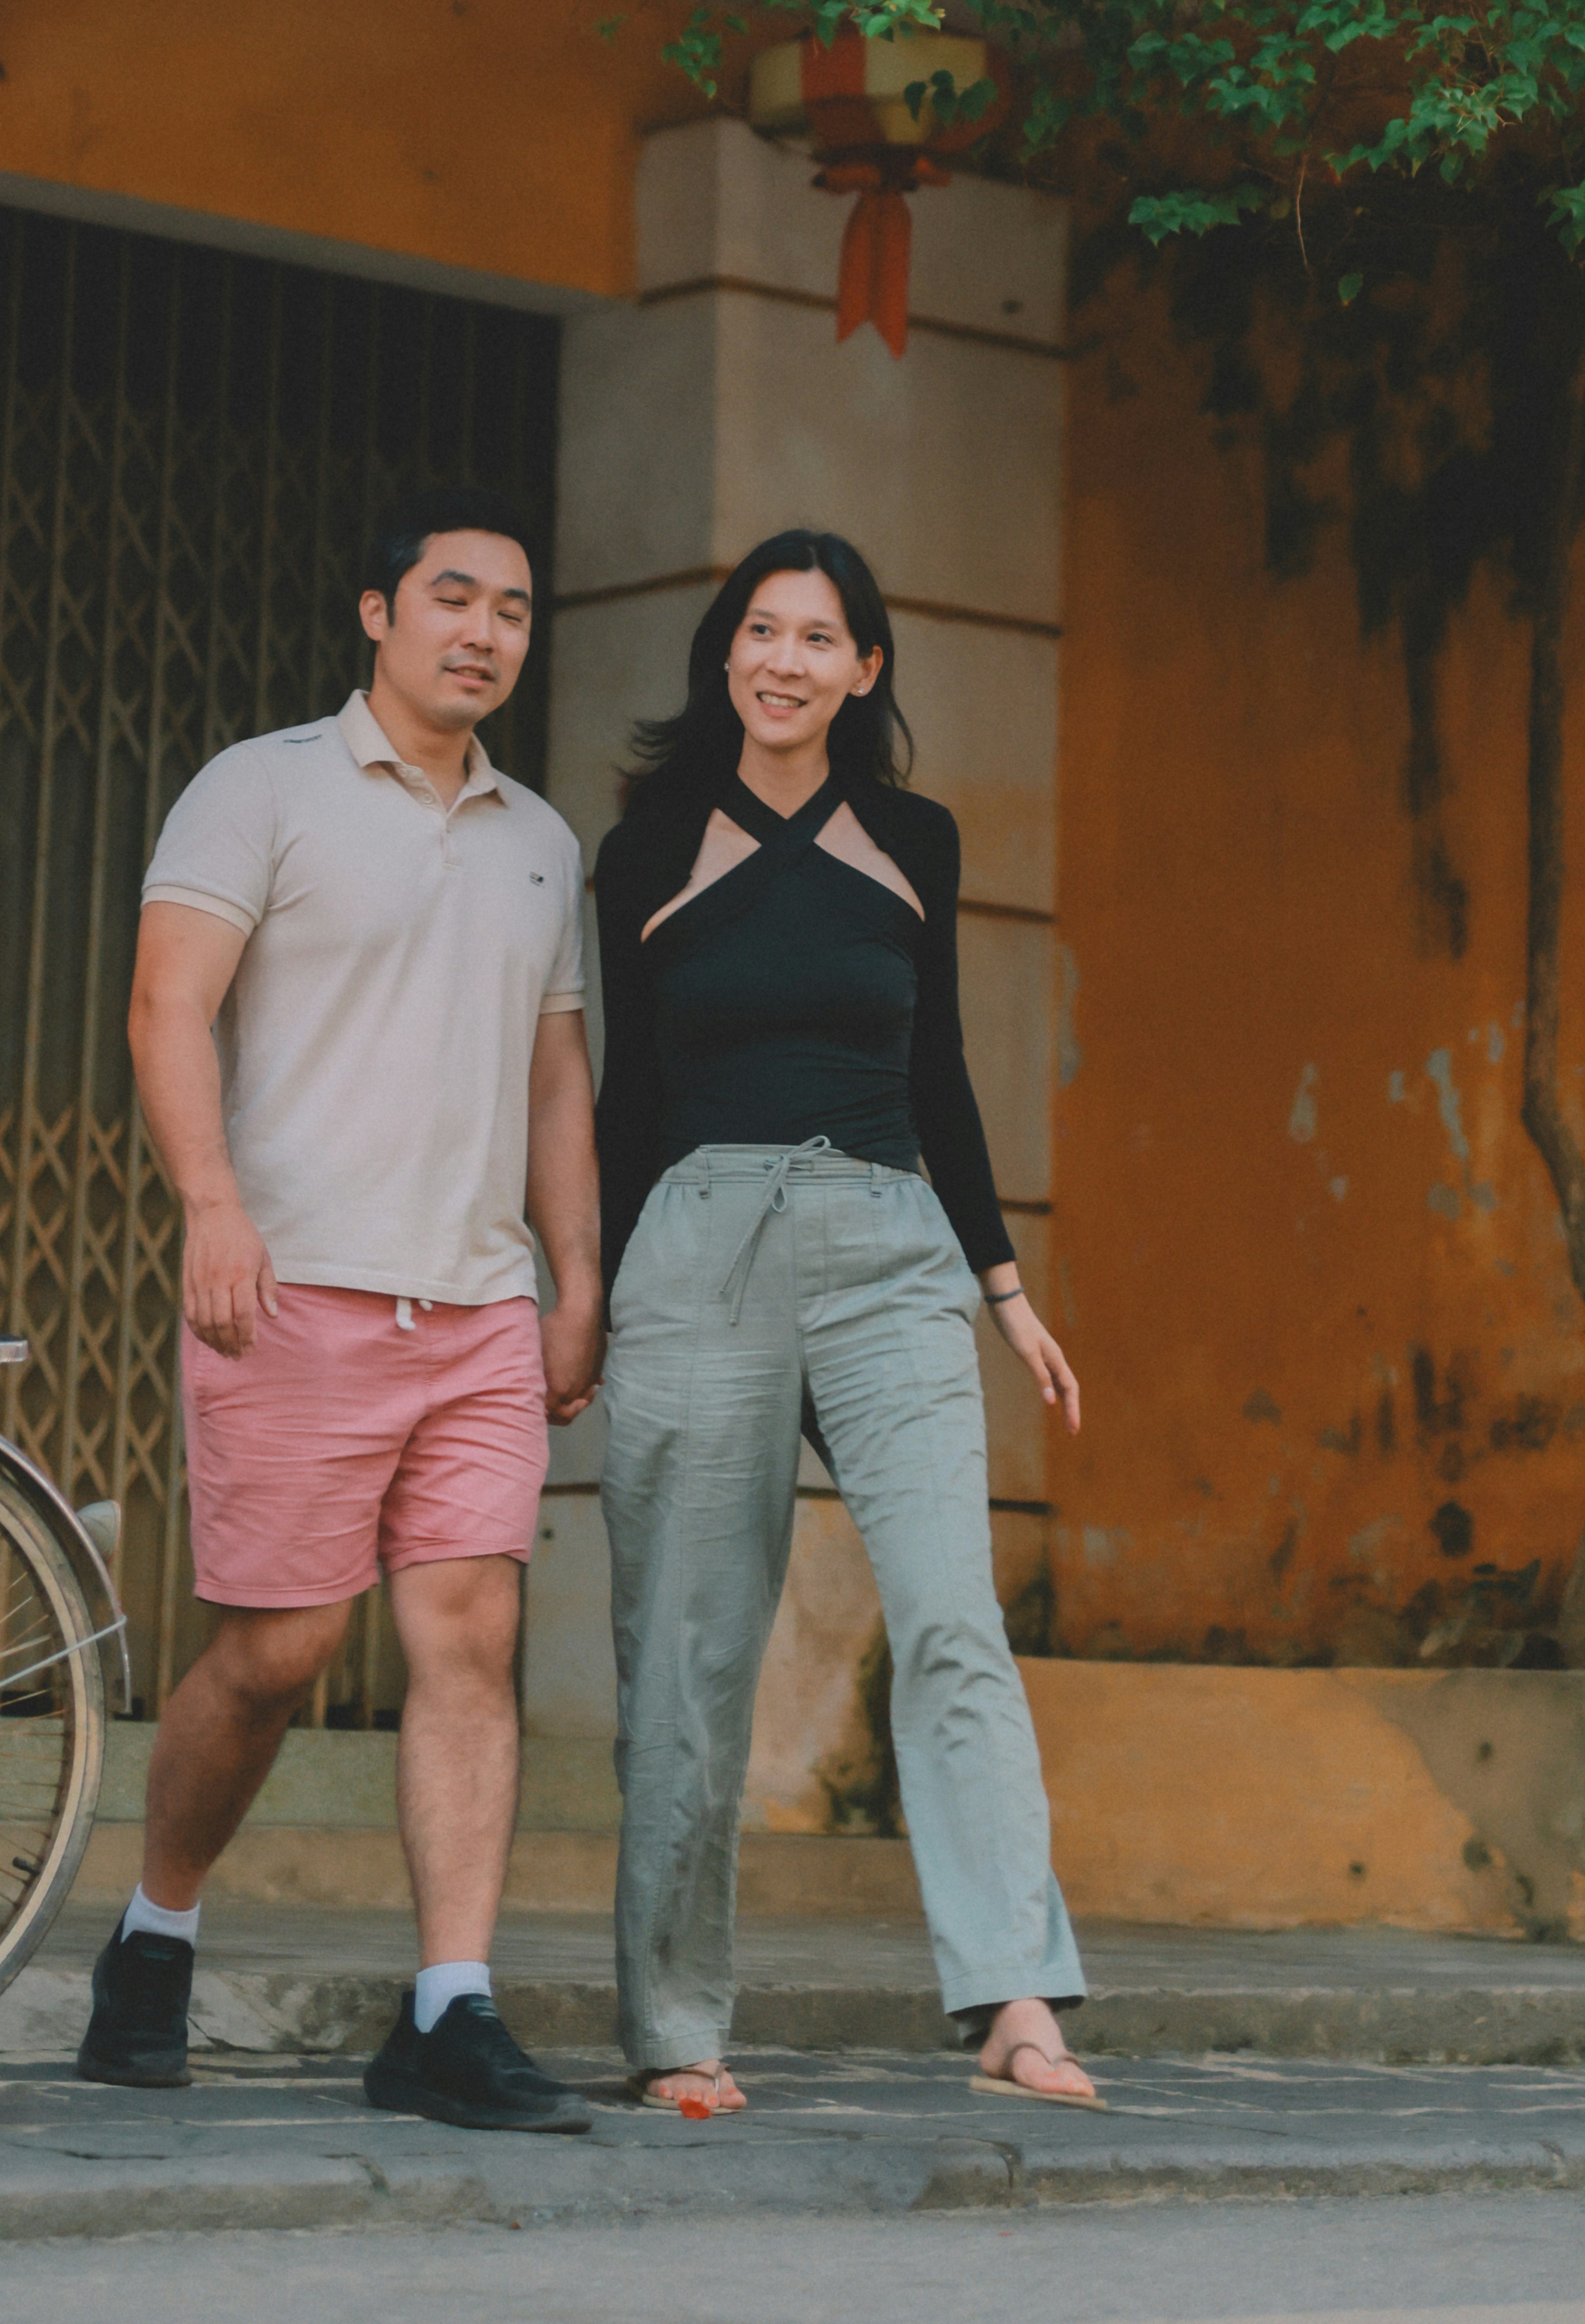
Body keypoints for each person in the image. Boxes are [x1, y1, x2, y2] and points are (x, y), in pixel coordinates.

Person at [78, 496, 604, 2136]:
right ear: (378, 612)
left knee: (471, 1640)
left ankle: (450, 2008)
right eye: (454, 597)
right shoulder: (263, 787)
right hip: (293, 1288)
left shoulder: (542, 839)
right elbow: (172, 1000)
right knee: (280, 1652)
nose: (484, 630)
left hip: (477, 1310)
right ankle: (157, 1929)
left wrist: (577, 1278)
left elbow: (555, 1074)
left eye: (512, 609)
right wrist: (210, 1205)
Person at [594, 525, 1094, 2117]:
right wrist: (584, 1298)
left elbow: (937, 1071)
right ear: (724, 652)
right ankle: (677, 2027)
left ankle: (1017, 2000)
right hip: (701, 1246)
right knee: (688, 1653)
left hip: (893, 1247)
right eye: (761, 629)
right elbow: (628, 1098)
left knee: (954, 1616)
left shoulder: (916, 841)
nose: (784, 659)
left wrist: (1005, 1291)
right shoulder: (651, 841)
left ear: (866, 669)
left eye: (819, 638)